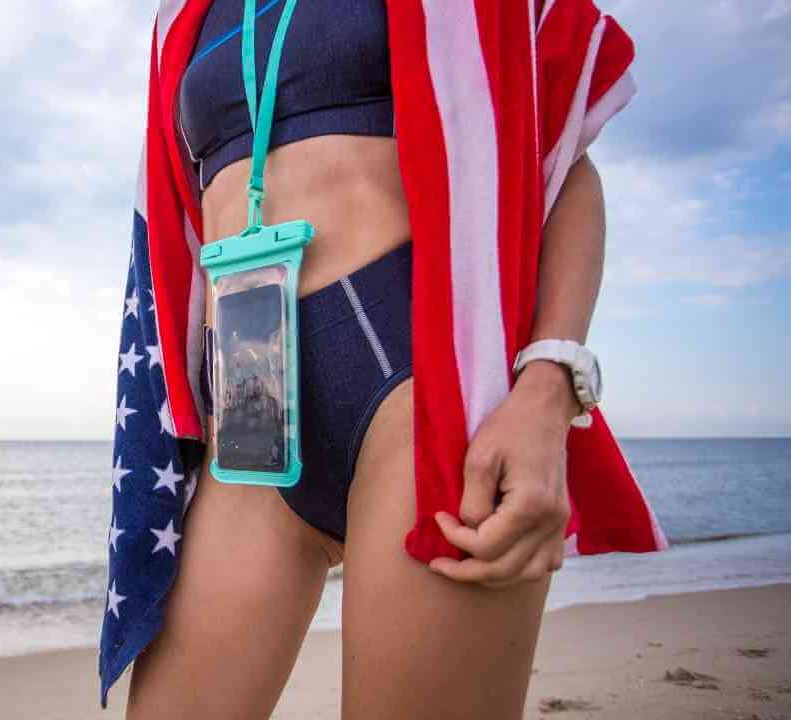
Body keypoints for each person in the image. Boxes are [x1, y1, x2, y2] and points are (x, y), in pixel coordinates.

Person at [99, 1, 668, 717]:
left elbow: (563, 159)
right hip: (249, 408)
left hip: (422, 390)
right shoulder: (185, 14)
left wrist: (549, 389)